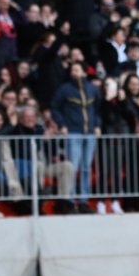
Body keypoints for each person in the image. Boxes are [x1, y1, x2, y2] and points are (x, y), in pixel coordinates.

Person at [49, 62, 100, 212]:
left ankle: (84, 200)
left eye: (77, 69)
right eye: (72, 70)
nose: (74, 72)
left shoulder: (92, 89)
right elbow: (55, 107)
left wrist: (97, 125)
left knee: (86, 168)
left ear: (84, 72)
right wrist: (62, 124)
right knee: (73, 167)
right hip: (73, 131)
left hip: (89, 132)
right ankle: (70, 199)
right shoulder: (65, 89)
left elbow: (97, 110)